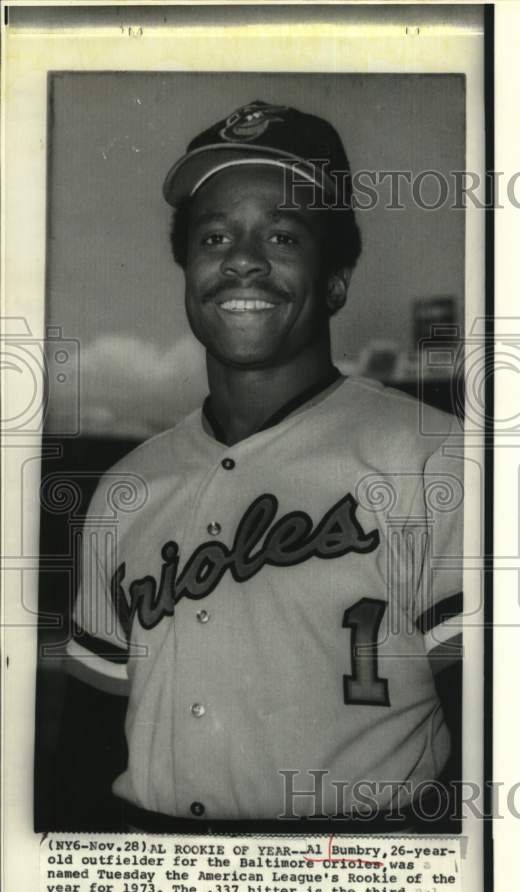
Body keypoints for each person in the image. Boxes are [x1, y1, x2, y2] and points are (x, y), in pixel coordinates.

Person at [62, 100, 465, 833]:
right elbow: (88, 743)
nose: (242, 258)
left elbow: (499, 741)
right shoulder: (127, 488)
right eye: (214, 236)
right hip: (157, 885)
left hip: (356, 881)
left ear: (337, 278)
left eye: (282, 235)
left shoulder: (433, 457)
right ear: (188, 274)